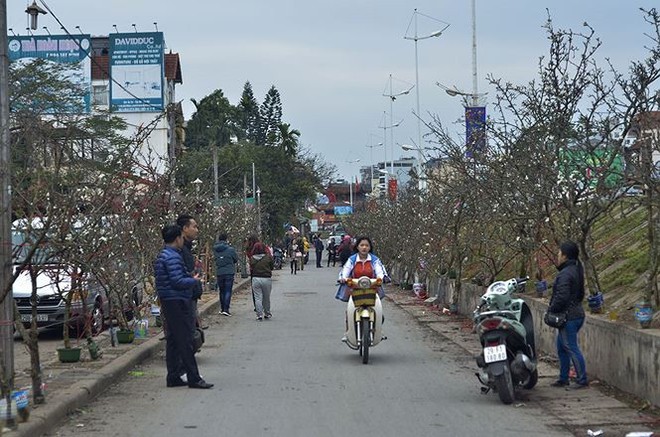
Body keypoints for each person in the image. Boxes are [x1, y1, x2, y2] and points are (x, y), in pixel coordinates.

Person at [154, 224, 213, 389]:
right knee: (185, 340)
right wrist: (194, 280)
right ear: (177, 238)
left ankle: (173, 376)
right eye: (181, 237)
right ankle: (194, 377)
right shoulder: (172, 257)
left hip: (169, 300)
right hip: (176, 300)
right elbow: (177, 281)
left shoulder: (165, 255)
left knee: (173, 339)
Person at [548, 240, 588, 390]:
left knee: (571, 347)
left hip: (568, 317)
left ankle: (582, 379)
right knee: (562, 347)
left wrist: (552, 309)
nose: (557, 255)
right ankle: (563, 378)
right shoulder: (577, 269)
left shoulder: (565, 273)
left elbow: (561, 296)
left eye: (559, 253)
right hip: (576, 314)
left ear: (564, 256)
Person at [336, 236, 387, 341]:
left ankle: (378, 331)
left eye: (367, 245)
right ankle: (348, 332)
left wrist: (381, 278)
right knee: (349, 311)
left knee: (378, 311)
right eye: (362, 245)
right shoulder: (352, 259)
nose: (364, 248)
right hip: (355, 290)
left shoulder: (374, 260)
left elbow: (380, 271)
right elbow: (345, 270)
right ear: (357, 247)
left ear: (370, 247)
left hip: (372, 289)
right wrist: (342, 278)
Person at [176, 215, 204, 328]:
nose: (197, 230)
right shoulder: (179, 250)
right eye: (194, 227)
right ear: (185, 228)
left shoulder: (186, 248)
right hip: (185, 298)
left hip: (190, 296)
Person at [214, 232, 238, 316]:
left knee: (221, 291)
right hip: (229, 272)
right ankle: (226, 309)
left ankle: (222, 308)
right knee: (228, 290)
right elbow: (235, 259)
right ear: (226, 240)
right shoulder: (230, 249)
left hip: (219, 272)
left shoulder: (215, 249)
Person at [249, 242, 274, 321]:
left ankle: (259, 314)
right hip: (266, 278)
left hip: (256, 278)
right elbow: (272, 267)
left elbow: (251, 268)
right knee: (266, 297)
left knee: (258, 297)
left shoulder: (252, 258)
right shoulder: (268, 257)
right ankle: (267, 313)